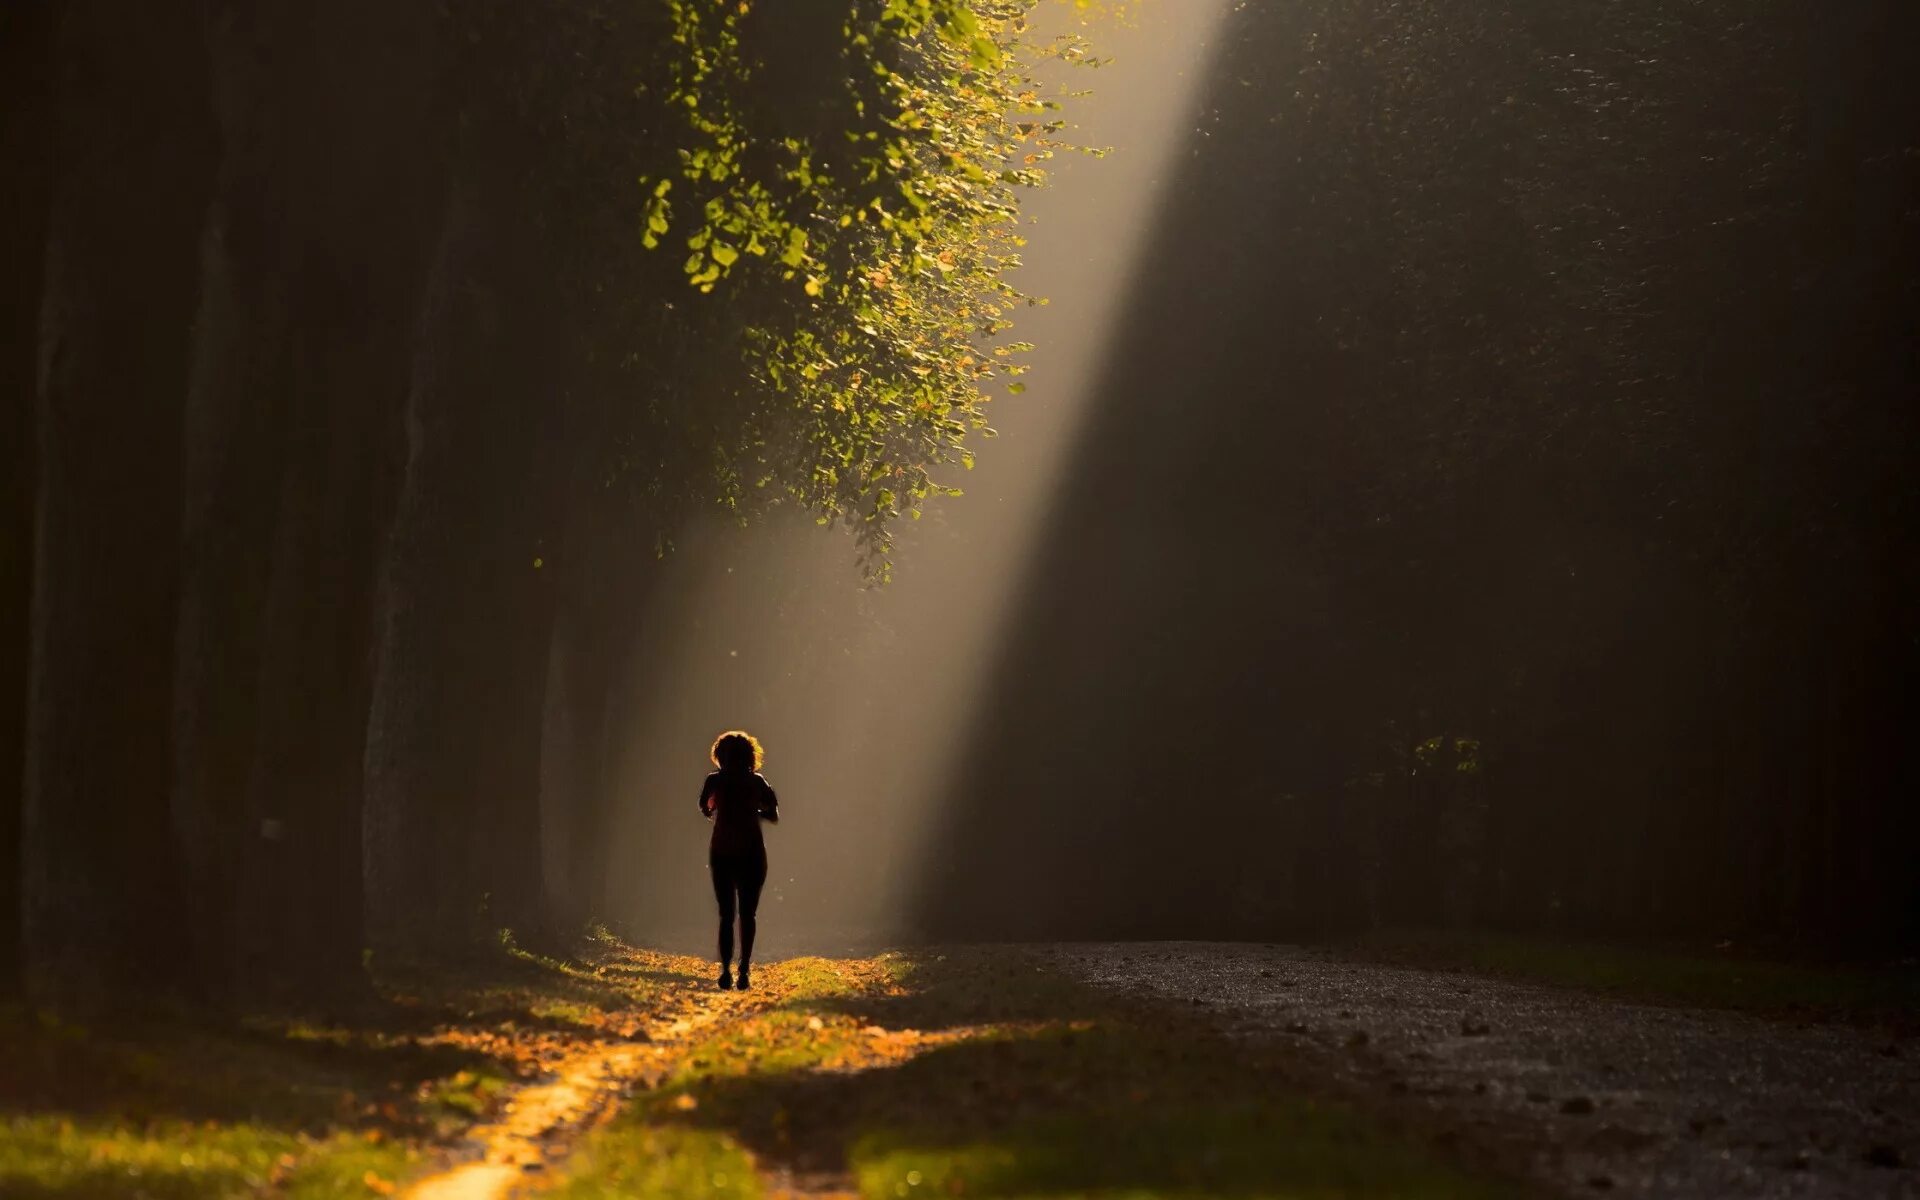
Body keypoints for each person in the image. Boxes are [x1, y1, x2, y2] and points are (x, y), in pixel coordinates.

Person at [698, 729, 778, 990]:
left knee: (726, 914)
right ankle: (744, 969)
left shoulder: (714, 781)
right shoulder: (758, 782)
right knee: (748, 913)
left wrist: (719, 808)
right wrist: (753, 811)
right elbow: (773, 813)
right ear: (750, 756)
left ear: (720, 756)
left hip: (722, 852)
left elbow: (704, 808)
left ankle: (724, 970)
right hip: (752, 853)